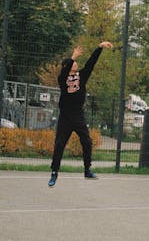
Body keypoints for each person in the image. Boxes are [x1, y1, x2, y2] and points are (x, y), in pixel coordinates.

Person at [48, 41, 113, 187]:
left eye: (76, 63)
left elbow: (91, 63)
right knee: (59, 144)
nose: (76, 65)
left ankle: (87, 169)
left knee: (87, 141)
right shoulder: (62, 79)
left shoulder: (81, 76)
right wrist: (73, 56)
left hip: (78, 116)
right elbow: (63, 73)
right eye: (73, 64)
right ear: (68, 67)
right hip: (65, 116)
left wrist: (99, 48)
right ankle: (54, 173)